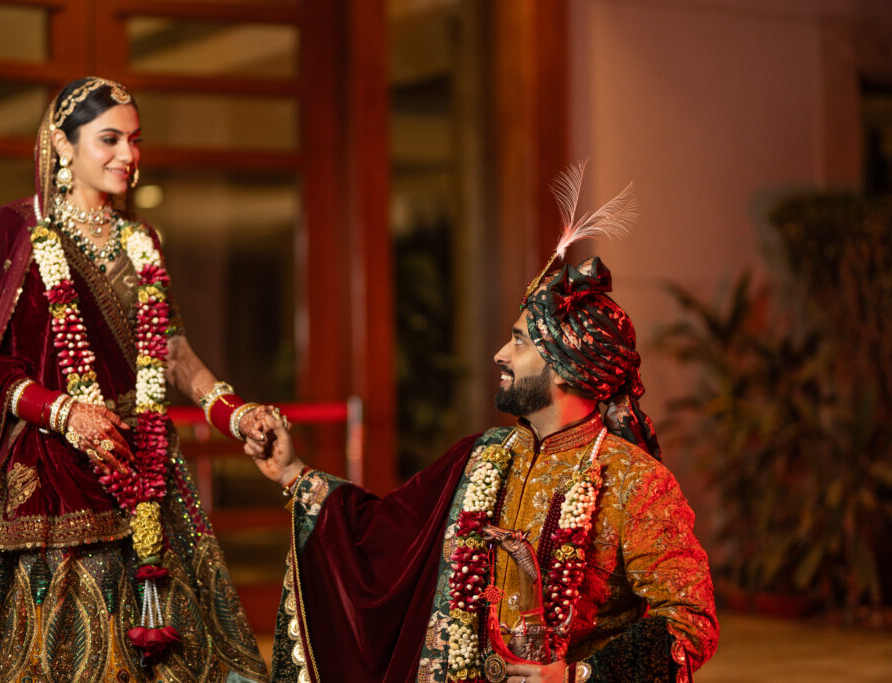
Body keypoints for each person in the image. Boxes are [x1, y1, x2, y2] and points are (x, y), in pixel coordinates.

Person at [246, 163, 719, 682]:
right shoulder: (480, 457)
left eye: (518, 342)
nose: (499, 354)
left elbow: (689, 623)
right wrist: (293, 472)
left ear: (565, 365)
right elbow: (381, 537)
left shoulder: (636, 482)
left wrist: (580, 677)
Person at [0, 77, 274, 682]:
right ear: (62, 143)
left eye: (135, 141)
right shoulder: (19, 234)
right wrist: (66, 412)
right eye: (109, 139)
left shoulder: (143, 241)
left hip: (147, 463)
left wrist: (235, 413)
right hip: (53, 472)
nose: (127, 157)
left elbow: (171, 349)